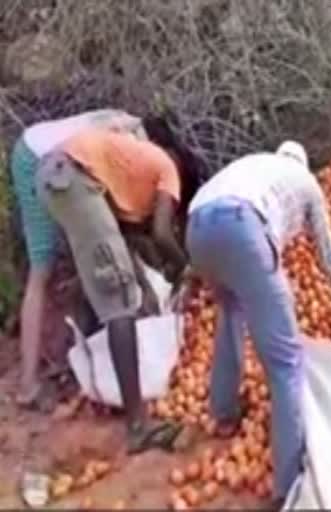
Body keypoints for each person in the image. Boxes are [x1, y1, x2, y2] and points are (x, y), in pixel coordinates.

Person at [185, 141, 331, 509]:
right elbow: (329, 254)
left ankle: (223, 412)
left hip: (197, 228)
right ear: (303, 164)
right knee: (286, 361)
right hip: (241, 227)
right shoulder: (306, 183)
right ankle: (287, 484)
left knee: (231, 312)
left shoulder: (254, 167)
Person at [35, 118, 201, 453]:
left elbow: (136, 242)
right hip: (72, 175)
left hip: (60, 175)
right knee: (119, 298)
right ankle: (138, 426)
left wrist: (163, 276)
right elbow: (161, 235)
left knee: (110, 280)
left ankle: (107, 380)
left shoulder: (134, 168)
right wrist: (188, 268)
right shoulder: (168, 169)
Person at [9, 109, 147, 411]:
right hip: (36, 158)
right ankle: (28, 385)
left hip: (44, 151)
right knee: (41, 269)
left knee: (83, 256)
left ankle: (85, 355)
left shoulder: (124, 125)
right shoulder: (130, 138)